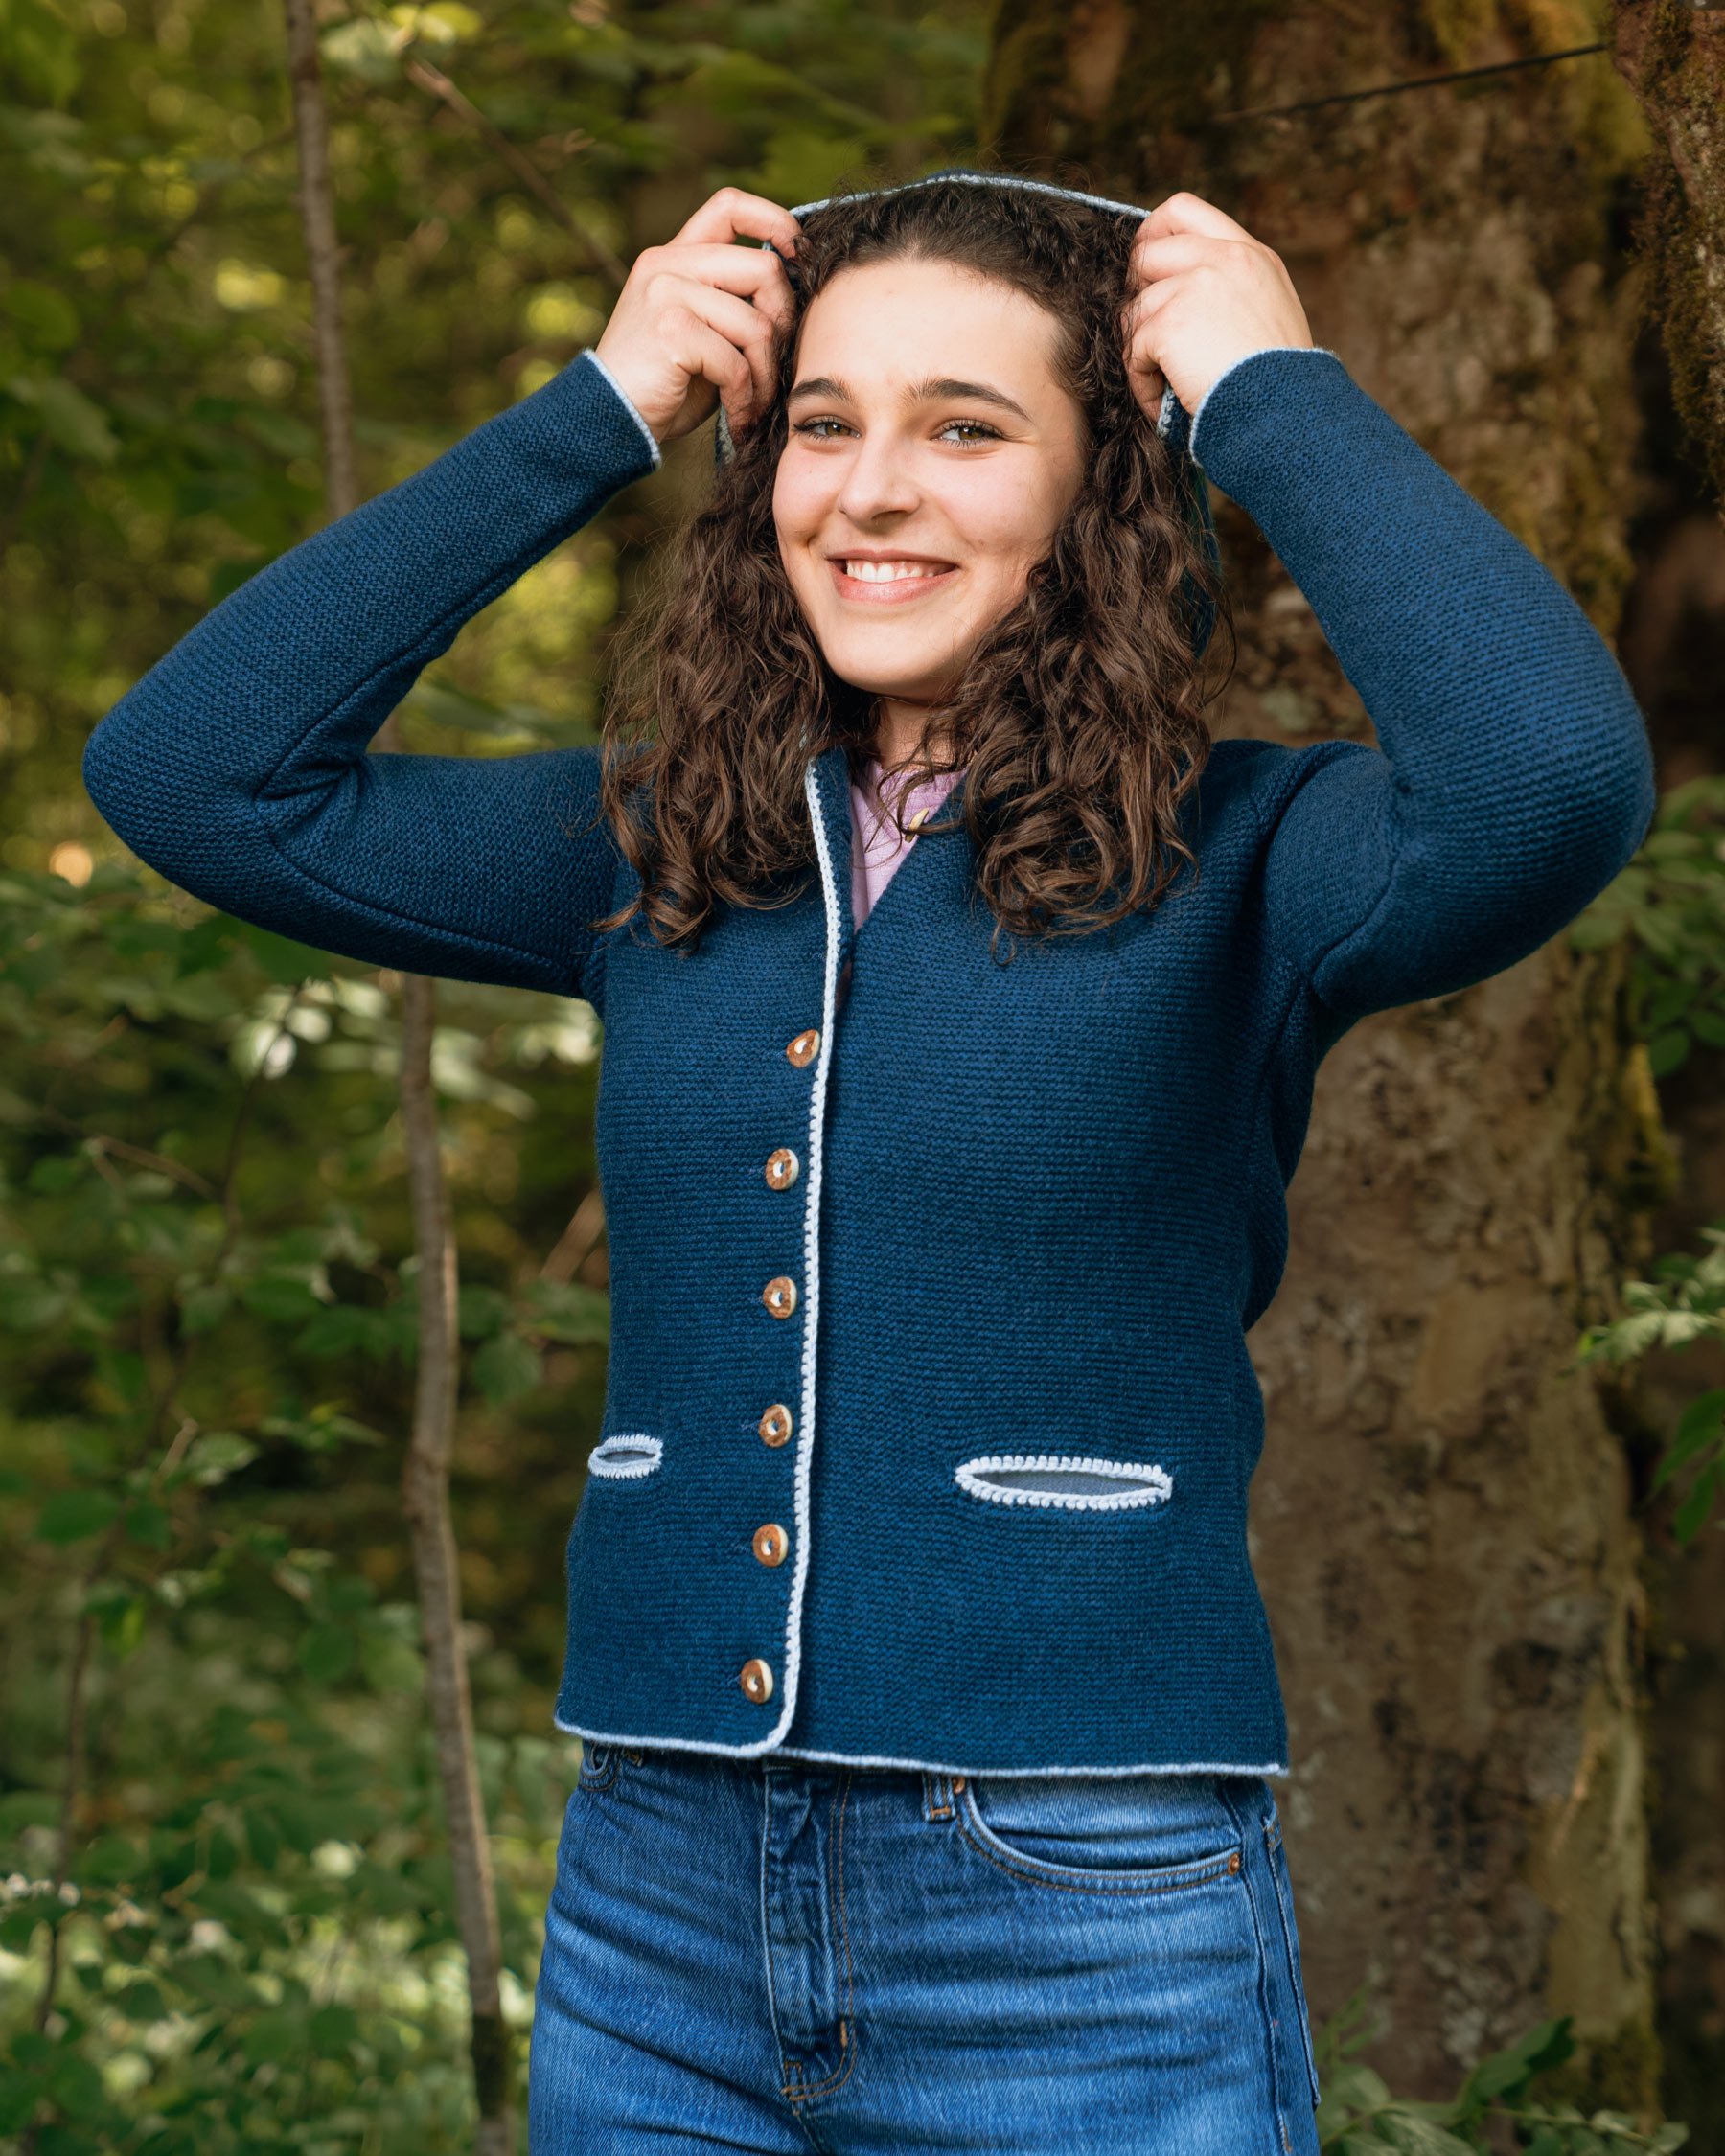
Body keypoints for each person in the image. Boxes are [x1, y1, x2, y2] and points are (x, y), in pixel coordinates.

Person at [81, 169, 1657, 2154]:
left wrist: (1267, 389)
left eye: (966, 429)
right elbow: (191, 774)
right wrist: (602, 406)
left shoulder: (1256, 856)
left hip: (1081, 1910)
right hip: (654, 1901)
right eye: (824, 424)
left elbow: (1551, 779)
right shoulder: (663, 844)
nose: (872, 491)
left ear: (1104, 490)